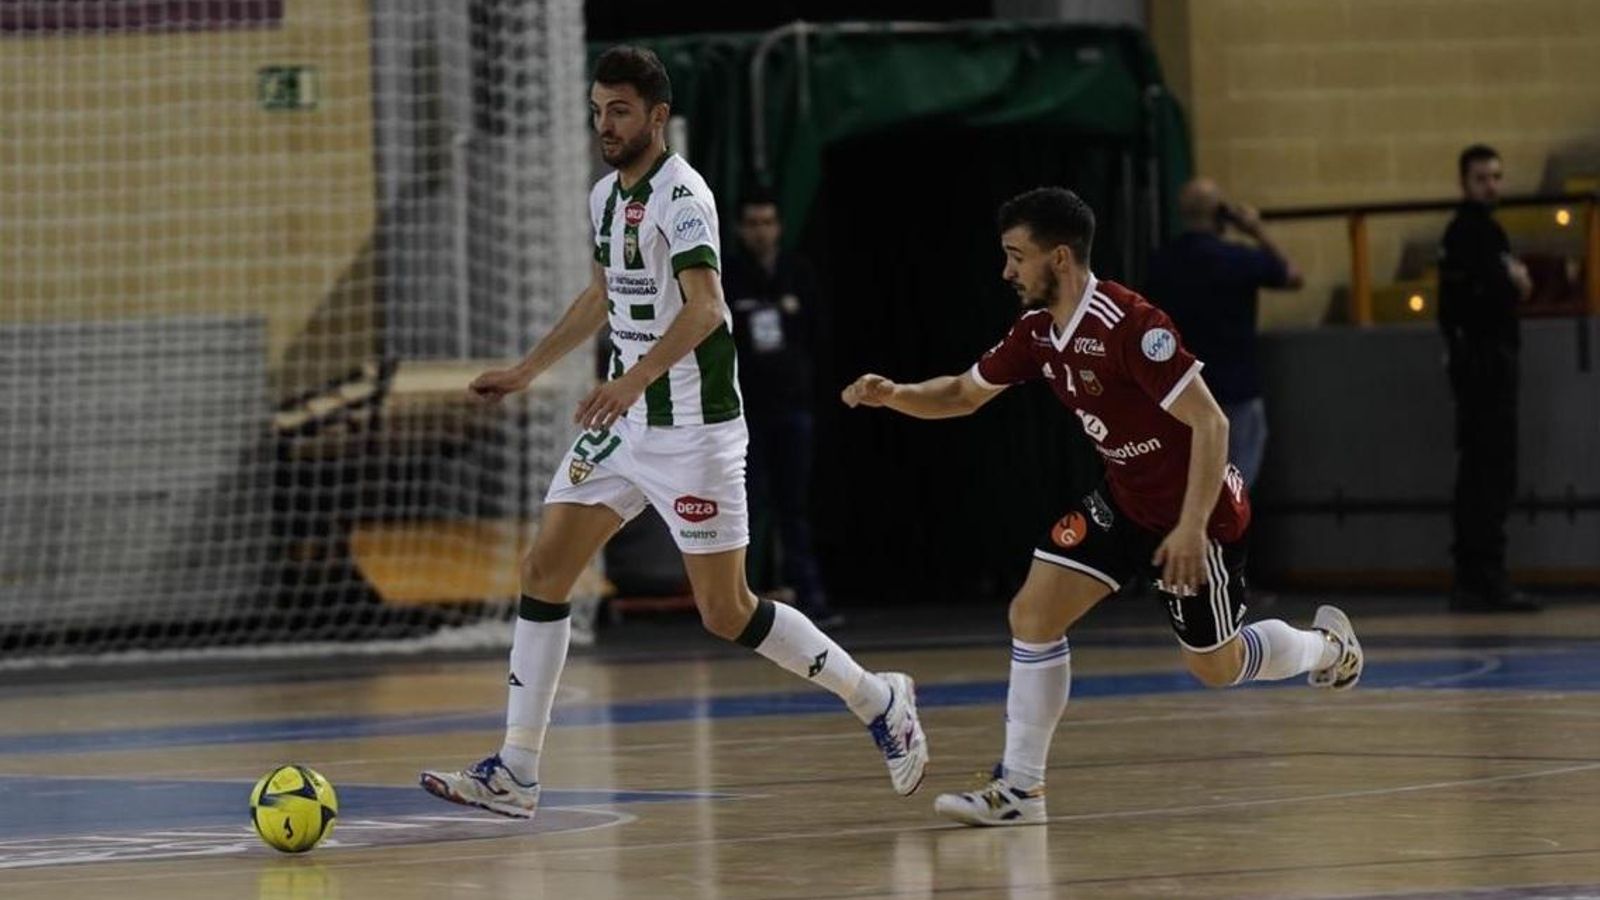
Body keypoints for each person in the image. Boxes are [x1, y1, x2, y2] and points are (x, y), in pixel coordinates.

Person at [419, 46, 927, 819]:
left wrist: (628, 383)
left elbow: (706, 311)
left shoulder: (684, 197)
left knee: (726, 612)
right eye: (596, 110)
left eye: (619, 110)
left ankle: (876, 697)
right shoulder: (603, 197)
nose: (604, 125)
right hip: (623, 430)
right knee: (545, 566)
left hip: (693, 430)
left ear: (657, 116)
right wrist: (528, 369)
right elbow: (601, 295)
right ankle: (516, 771)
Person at [842, 187, 1363, 826]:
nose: (1006, 272)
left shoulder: (1132, 327)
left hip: (1201, 518)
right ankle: (1020, 791)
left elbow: (1212, 424)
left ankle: (1325, 648)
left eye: (1016, 256)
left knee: (1215, 667)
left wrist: (1193, 528)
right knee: (1032, 614)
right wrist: (894, 393)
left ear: (1058, 259)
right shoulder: (1037, 332)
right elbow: (961, 394)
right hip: (1125, 501)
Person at [724, 188, 840, 627]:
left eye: (767, 222)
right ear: (739, 228)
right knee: (745, 506)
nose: (760, 231)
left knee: (794, 506)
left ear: (779, 226)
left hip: (793, 409)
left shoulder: (797, 272)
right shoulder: (729, 276)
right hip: (744, 413)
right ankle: (738, 605)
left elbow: (816, 336)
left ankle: (811, 598)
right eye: (752, 223)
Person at [1144, 178, 1303, 489]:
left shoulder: (1162, 263)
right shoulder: (1237, 259)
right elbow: (1293, 277)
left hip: (1183, 392)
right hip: (1237, 391)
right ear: (1221, 214)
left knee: (1190, 491)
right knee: (1233, 489)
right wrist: (1256, 231)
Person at [1438, 145, 1538, 613]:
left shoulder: (1484, 232)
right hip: (1483, 365)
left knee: (1489, 470)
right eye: (1482, 177)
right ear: (1465, 181)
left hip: (1489, 361)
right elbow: (1497, 291)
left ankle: (1479, 574)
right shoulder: (1469, 233)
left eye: (1497, 176)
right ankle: (1482, 575)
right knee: (1487, 470)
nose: (1492, 186)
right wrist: (1513, 281)